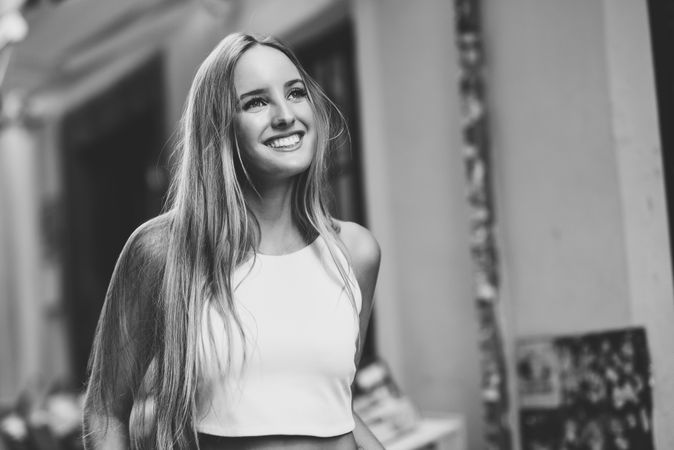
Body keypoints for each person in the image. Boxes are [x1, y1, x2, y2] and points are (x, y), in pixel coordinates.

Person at [83, 32, 383, 450]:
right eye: (256, 102)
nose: (285, 115)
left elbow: (334, 405)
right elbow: (105, 411)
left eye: (295, 93)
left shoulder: (354, 251)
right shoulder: (163, 251)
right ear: (219, 125)